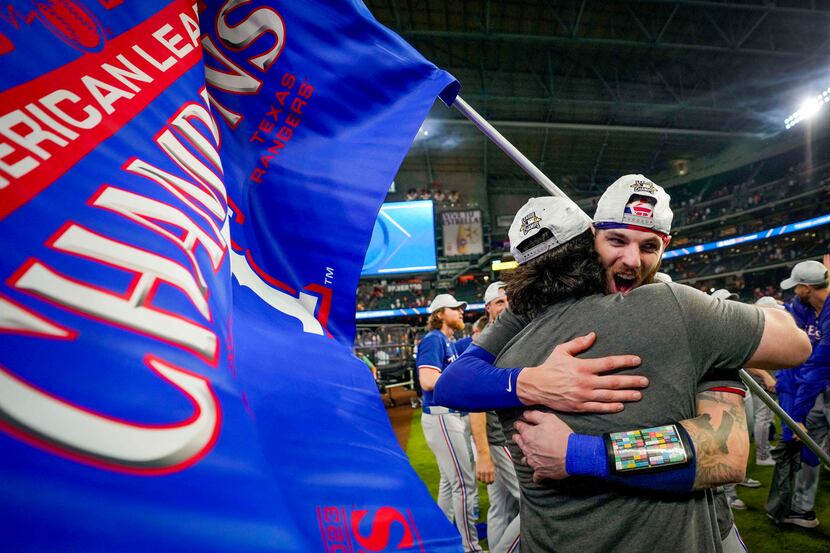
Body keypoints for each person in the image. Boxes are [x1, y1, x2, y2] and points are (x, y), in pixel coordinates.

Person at [434, 176, 791, 549]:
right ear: (591, 239)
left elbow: (724, 453)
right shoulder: (533, 312)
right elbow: (451, 383)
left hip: (697, 525)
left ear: (665, 246)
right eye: (616, 241)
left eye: (648, 245)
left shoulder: (679, 310)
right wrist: (531, 382)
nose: (631, 260)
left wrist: (579, 452)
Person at [416, 293, 482, 553]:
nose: (461, 312)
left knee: (448, 482)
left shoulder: (446, 341)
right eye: (456, 308)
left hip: (445, 416)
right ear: (441, 313)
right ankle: (471, 548)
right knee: (464, 486)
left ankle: (440, 541)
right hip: (442, 415)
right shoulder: (433, 339)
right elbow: (427, 381)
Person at [767, 258, 830, 527]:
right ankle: (802, 509)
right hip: (816, 391)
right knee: (809, 446)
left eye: (796, 287)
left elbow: (819, 366)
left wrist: (798, 414)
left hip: (818, 386)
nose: (794, 292)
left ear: (806, 287)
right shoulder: (807, 308)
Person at [470, 282, 521, 553]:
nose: (506, 306)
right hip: (502, 438)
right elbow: (474, 402)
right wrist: (483, 453)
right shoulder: (486, 342)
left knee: (501, 508)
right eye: (499, 302)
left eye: (508, 300)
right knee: (533, 503)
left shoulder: (509, 334)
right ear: (488, 308)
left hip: (504, 436)